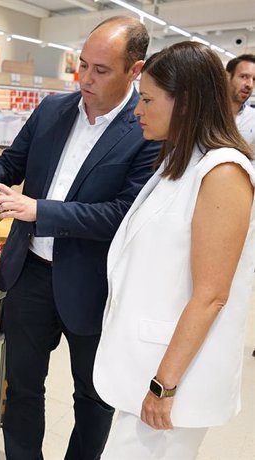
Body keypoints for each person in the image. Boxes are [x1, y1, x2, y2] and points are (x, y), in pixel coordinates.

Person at [0, 16, 160, 460]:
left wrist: (39, 210)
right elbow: (11, 165)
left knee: (93, 397)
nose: (85, 78)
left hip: (95, 284)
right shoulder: (52, 110)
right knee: (22, 387)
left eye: (101, 70)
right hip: (29, 276)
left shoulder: (147, 130)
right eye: (82, 65)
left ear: (135, 71)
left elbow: (123, 214)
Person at [93, 42, 255, 460]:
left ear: (183, 102)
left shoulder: (223, 173)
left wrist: (163, 387)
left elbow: (212, 294)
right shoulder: (180, 164)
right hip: (148, 367)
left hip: (173, 382)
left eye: (147, 99)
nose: (137, 110)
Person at [226, 54, 255, 149]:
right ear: (228, 77)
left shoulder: (253, 118)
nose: (250, 85)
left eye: (254, 79)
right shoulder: (205, 114)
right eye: (244, 76)